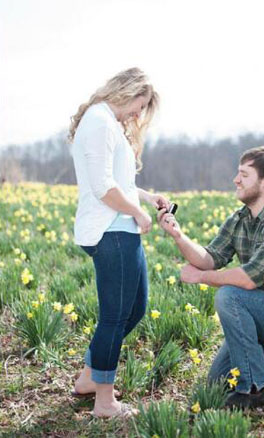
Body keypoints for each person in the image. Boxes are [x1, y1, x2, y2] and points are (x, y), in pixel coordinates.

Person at [158, 146, 264, 409]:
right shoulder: (240, 219)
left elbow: (249, 279)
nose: (235, 180)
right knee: (218, 381)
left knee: (230, 295)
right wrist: (178, 236)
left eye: (244, 174)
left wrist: (202, 277)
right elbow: (210, 257)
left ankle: (255, 390)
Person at [69, 67, 169, 418]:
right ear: (125, 91)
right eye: (139, 106)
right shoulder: (98, 121)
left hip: (121, 227)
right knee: (113, 317)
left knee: (136, 308)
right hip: (110, 231)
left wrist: (146, 197)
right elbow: (102, 188)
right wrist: (138, 214)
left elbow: (119, 182)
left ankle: (87, 379)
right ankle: (105, 402)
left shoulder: (108, 123)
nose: (138, 115)